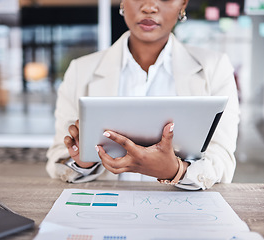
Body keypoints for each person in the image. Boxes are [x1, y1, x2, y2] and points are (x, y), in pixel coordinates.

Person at [46, 0, 240, 190]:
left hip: (182, 212)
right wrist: (83, 163)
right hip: (106, 209)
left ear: (183, 4)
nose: (149, 7)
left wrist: (176, 170)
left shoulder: (215, 68)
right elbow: (57, 158)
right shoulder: (81, 70)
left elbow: (222, 159)